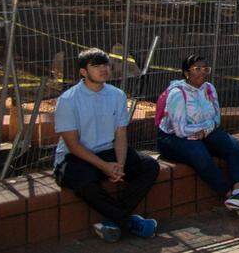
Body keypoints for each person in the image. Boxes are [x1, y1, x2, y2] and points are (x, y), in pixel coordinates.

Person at [53, 48, 160, 242]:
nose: (103, 69)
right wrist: (105, 167)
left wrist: (118, 164)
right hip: (74, 157)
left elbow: (120, 133)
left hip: (107, 152)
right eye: (96, 65)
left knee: (149, 166)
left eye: (105, 64)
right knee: (84, 182)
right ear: (83, 72)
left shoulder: (117, 95)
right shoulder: (68, 100)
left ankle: (114, 220)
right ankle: (129, 222)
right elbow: (73, 145)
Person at [156, 54, 239, 214]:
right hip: (172, 138)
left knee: (235, 147)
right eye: (197, 69)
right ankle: (229, 195)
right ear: (186, 72)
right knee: (200, 154)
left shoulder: (209, 88)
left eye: (205, 68)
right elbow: (181, 130)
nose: (202, 72)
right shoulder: (177, 93)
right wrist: (205, 129)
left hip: (205, 131)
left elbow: (217, 119)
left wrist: (205, 130)